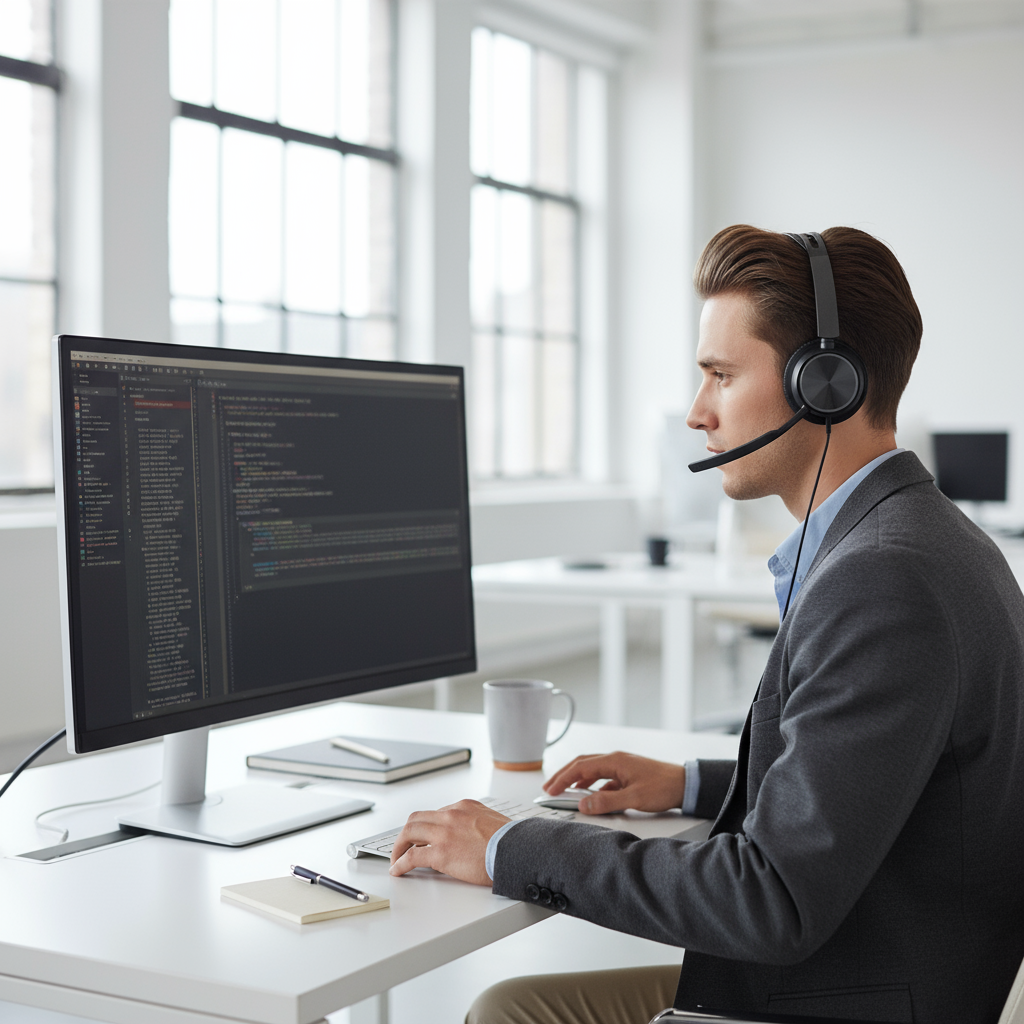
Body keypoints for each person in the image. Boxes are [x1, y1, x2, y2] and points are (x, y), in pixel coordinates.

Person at [389, 225, 1024, 1024]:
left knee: (508, 1015)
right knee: (515, 1004)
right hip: (878, 974)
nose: (697, 413)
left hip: (838, 1001)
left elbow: (771, 899)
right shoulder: (930, 537)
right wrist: (690, 783)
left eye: (721, 376)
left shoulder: (883, 579)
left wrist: (504, 846)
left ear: (825, 384)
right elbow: (881, 782)